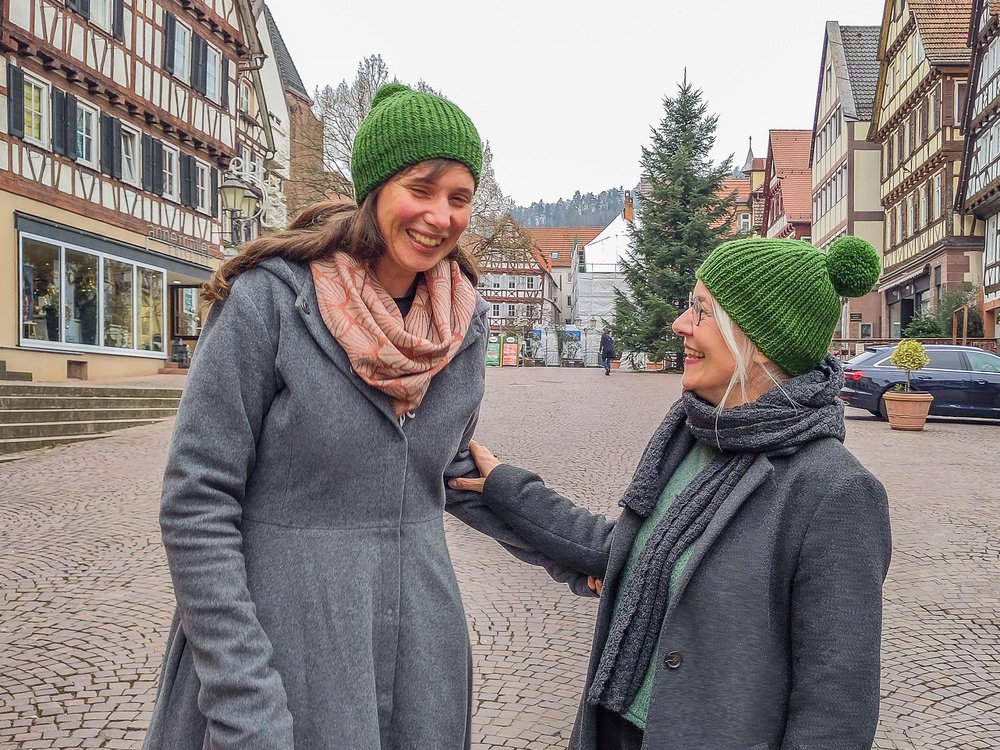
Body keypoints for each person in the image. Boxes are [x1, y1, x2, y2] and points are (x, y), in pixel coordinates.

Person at [142, 83, 581, 750]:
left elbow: (448, 467)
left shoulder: (460, 324)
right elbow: (196, 504)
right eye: (422, 189)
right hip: (282, 644)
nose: (441, 215)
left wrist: (583, 549)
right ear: (375, 190)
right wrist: (244, 702)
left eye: (459, 198)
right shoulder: (269, 303)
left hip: (419, 659)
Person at [450, 236, 893, 750]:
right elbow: (623, 551)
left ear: (758, 340)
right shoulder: (690, 433)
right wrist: (504, 487)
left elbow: (836, 707)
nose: (681, 325)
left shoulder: (835, 492)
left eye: (702, 311)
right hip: (615, 724)